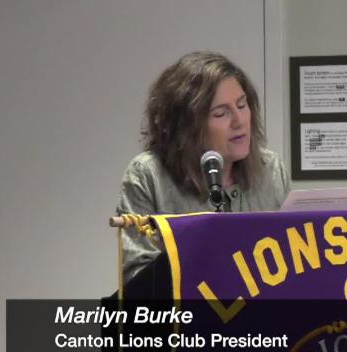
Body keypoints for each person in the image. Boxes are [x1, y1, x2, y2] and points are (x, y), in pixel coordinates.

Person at [116, 51, 290, 281]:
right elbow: (136, 278)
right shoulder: (148, 175)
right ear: (187, 127)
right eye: (221, 113)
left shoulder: (271, 168)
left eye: (242, 105)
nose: (239, 121)